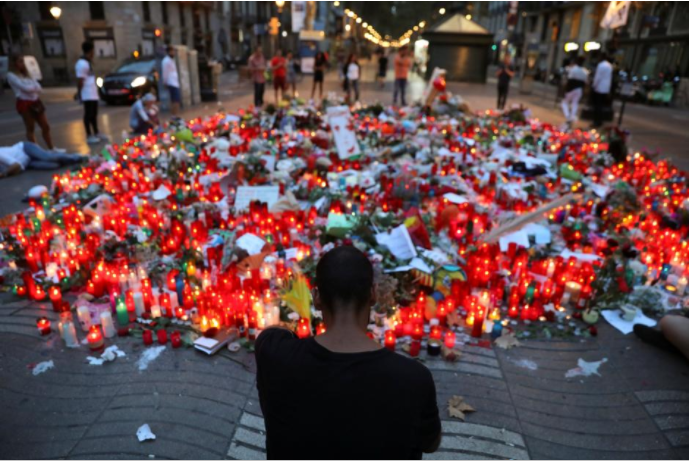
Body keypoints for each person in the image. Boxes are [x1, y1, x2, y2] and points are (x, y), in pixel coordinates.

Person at [256, 246, 441, 459]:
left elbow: (272, 332)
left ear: (316, 297)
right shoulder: (414, 379)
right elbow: (431, 443)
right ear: (372, 294)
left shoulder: (276, 355)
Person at [7, 54, 60, 152]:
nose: (23, 64)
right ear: (14, 64)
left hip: (35, 101)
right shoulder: (11, 75)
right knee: (30, 128)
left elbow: (38, 86)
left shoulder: (27, 74)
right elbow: (26, 88)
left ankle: (52, 148)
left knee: (45, 126)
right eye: (20, 61)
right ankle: (37, 151)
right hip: (24, 102)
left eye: (23, 61)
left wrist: (34, 88)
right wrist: (33, 88)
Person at [76, 41, 105, 144]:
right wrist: (79, 93)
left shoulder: (87, 62)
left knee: (94, 114)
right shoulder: (82, 63)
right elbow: (80, 80)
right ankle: (89, 135)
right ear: (91, 50)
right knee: (88, 114)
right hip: (87, 93)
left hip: (92, 92)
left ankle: (96, 132)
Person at [0, 141, 83, 176]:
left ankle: (77, 157)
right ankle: (54, 155)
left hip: (25, 149)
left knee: (49, 158)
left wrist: (4, 174)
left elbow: (16, 165)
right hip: (27, 163)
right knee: (53, 165)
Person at [561, 56, 589, 125]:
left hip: (572, 88)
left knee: (564, 103)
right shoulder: (585, 71)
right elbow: (586, 82)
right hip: (579, 89)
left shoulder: (573, 69)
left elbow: (569, 80)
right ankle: (572, 116)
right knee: (575, 103)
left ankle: (568, 116)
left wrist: (566, 89)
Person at [591, 52, 613, 128]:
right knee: (601, 105)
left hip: (599, 88)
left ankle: (597, 121)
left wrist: (594, 85)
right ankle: (600, 120)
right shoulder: (609, 65)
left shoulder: (601, 65)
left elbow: (598, 77)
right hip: (605, 88)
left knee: (597, 105)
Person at [162, 45, 180, 116]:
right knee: (175, 100)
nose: (173, 53)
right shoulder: (165, 61)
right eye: (172, 51)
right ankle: (173, 116)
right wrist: (165, 82)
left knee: (176, 100)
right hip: (171, 82)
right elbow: (165, 73)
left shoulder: (172, 60)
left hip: (175, 82)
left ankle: (175, 115)